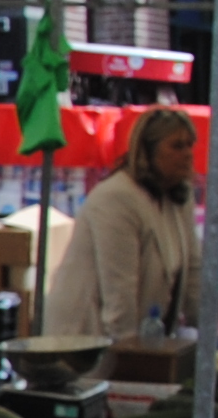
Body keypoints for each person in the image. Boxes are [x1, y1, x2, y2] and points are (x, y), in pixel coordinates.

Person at [44, 106, 196, 343]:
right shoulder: (117, 198)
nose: (188, 154)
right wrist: (130, 352)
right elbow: (119, 292)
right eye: (177, 146)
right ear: (149, 151)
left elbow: (193, 270)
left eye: (190, 145)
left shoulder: (177, 198)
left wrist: (209, 332)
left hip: (141, 338)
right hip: (84, 338)